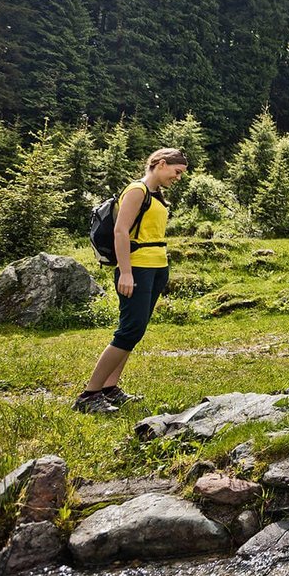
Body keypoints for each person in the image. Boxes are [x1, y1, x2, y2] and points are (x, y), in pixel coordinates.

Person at [74, 147, 189, 414]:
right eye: (177, 172)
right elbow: (120, 231)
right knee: (129, 330)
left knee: (135, 330)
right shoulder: (137, 190)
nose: (178, 178)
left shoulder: (155, 195)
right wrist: (125, 272)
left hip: (156, 267)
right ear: (161, 164)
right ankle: (89, 395)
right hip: (137, 269)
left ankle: (110, 388)